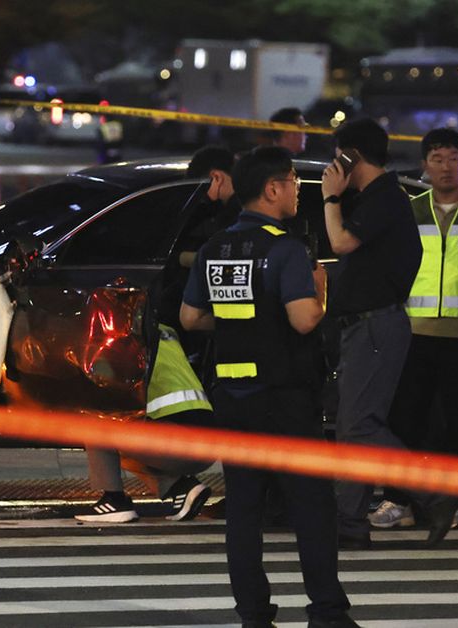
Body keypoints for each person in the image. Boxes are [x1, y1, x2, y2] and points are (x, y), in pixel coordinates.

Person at [182, 146, 357, 628]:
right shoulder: (287, 249)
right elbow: (304, 321)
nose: (299, 191)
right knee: (311, 508)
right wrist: (320, 289)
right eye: (295, 183)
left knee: (243, 508)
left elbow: (190, 317)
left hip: (234, 398)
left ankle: (253, 615)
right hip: (286, 398)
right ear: (272, 188)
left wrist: (244, 319)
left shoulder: (215, 249)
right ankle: (327, 612)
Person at [319, 118, 458, 549]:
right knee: (354, 427)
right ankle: (349, 523)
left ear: (351, 156)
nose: (332, 165)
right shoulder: (378, 198)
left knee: (360, 426)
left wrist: (329, 197)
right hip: (367, 326)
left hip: (375, 326)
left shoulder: (383, 198)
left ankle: (435, 494)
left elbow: (340, 243)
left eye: (336, 156)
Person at [371, 128, 458, 529]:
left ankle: (455, 502)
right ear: (425, 165)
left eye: (453, 158)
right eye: (437, 158)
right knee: (405, 420)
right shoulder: (411, 212)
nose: (446, 167)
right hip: (414, 334)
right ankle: (398, 501)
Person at [74, 324, 214, 523]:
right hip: (211, 443)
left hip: (179, 443)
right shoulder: (164, 332)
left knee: (96, 418)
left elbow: (107, 399)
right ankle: (181, 488)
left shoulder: (121, 342)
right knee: (118, 448)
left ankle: (114, 501)